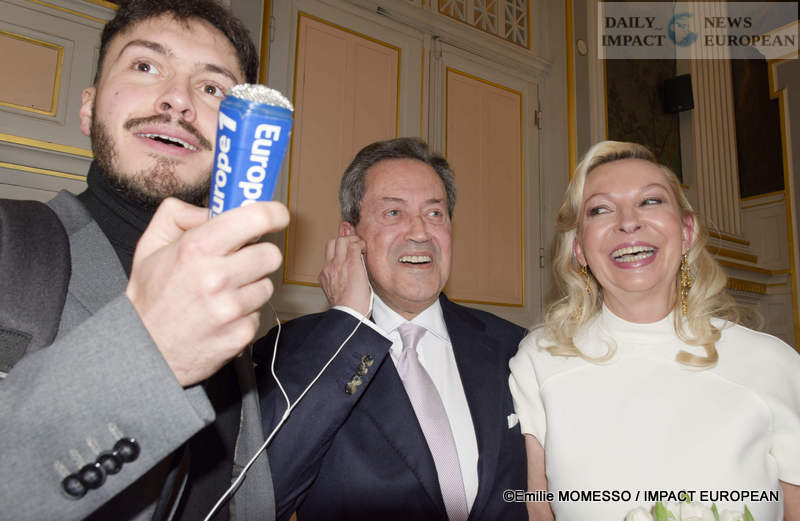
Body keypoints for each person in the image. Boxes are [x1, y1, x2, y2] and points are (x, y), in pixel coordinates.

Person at [0, 1, 289, 520]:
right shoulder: (8, 244)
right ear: (89, 107)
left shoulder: (227, 289)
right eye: (146, 65)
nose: (178, 99)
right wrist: (146, 354)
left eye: (212, 88)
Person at [509, 140, 800, 521]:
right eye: (600, 209)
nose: (628, 222)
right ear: (580, 249)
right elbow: (538, 510)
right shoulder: (540, 361)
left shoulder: (772, 362)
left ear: (687, 231)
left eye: (650, 201)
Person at [255, 137, 528, 521]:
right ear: (350, 238)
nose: (420, 232)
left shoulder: (515, 348)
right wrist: (347, 324)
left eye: (435, 213)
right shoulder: (288, 351)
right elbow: (259, 499)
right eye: (394, 212)